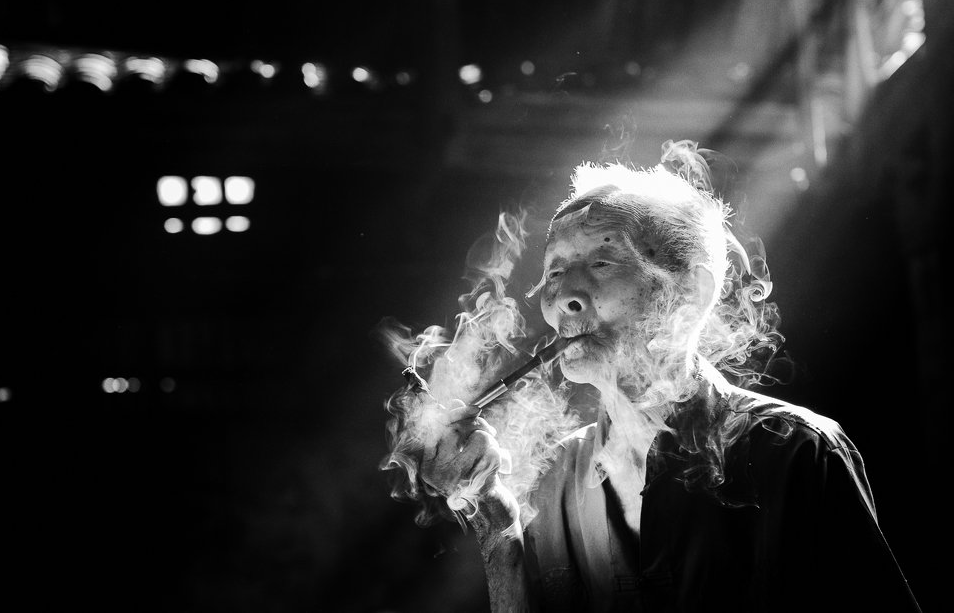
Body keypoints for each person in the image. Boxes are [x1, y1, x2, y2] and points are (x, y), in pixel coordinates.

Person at [390, 141, 921, 612]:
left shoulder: (790, 453)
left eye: (603, 262)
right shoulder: (551, 483)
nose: (563, 295)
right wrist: (496, 528)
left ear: (689, 291)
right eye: (553, 270)